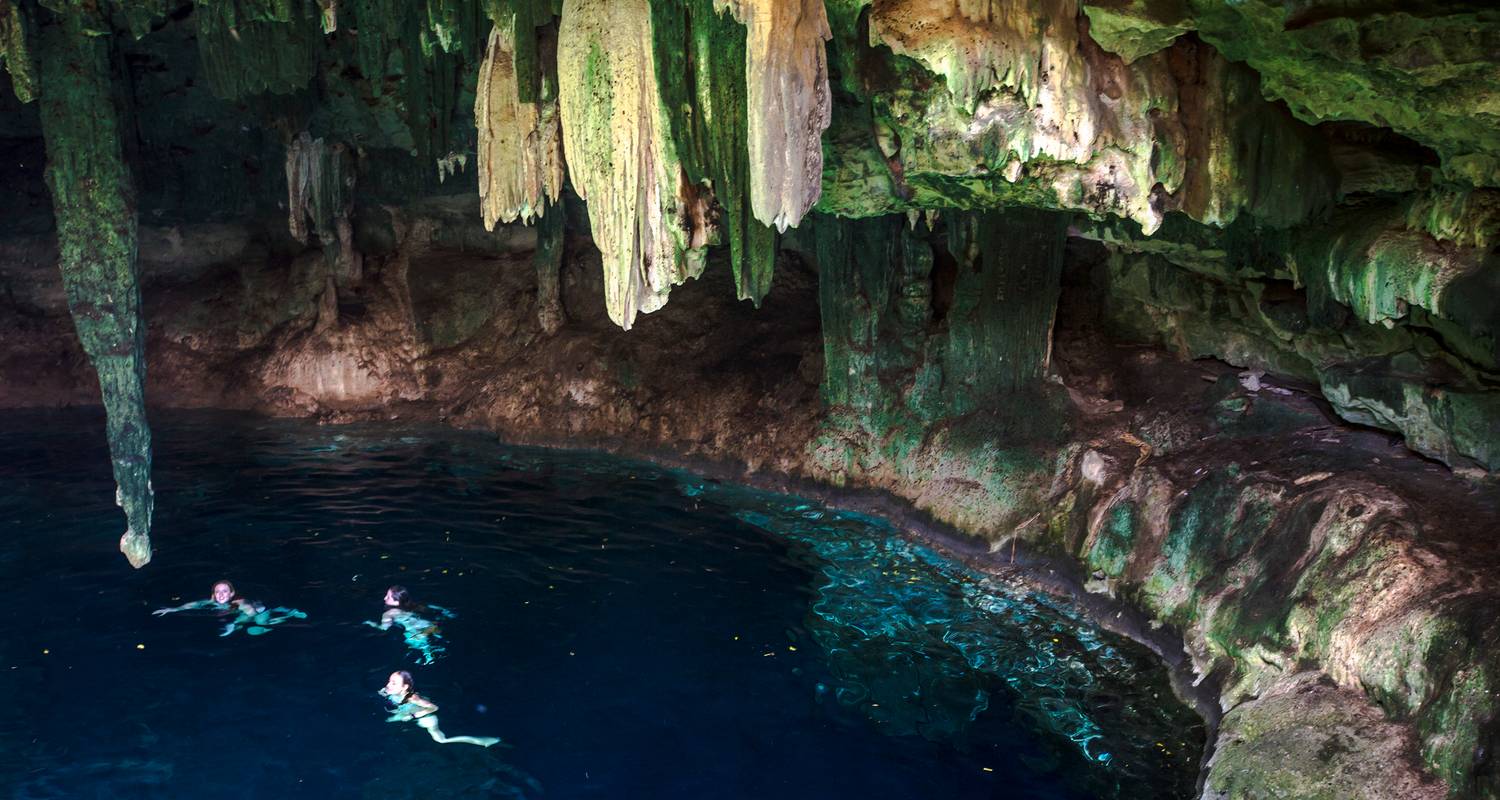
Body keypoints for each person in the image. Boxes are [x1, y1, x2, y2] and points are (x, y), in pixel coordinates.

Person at [379, 670, 500, 747]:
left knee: (441, 740)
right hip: (407, 711)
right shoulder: (391, 691)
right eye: (389, 681)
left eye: (394, 683)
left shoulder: (413, 698)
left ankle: (484, 741)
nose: (389, 685)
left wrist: (413, 716)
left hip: (427, 718)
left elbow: (433, 708)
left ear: (404, 687)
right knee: (389, 720)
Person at [153, 580, 306, 636]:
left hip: (259, 609)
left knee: (260, 622)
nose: (221, 594)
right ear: (213, 594)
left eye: (225, 591)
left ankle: (291, 613)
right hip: (248, 610)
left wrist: (233, 625)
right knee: (241, 626)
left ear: (231, 593)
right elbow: (194, 604)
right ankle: (284, 612)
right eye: (217, 591)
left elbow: (250, 614)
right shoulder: (211, 602)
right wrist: (174, 609)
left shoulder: (240, 602)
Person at [363, 586, 452, 664]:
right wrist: (448, 612)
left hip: (418, 633)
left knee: (426, 652)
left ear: (396, 602)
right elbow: (432, 607)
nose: (384, 598)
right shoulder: (415, 605)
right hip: (431, 626)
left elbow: (384, 629)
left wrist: (370, 623)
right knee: (442, 645)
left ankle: (429, 658)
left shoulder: (389, 614)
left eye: (388, 597)